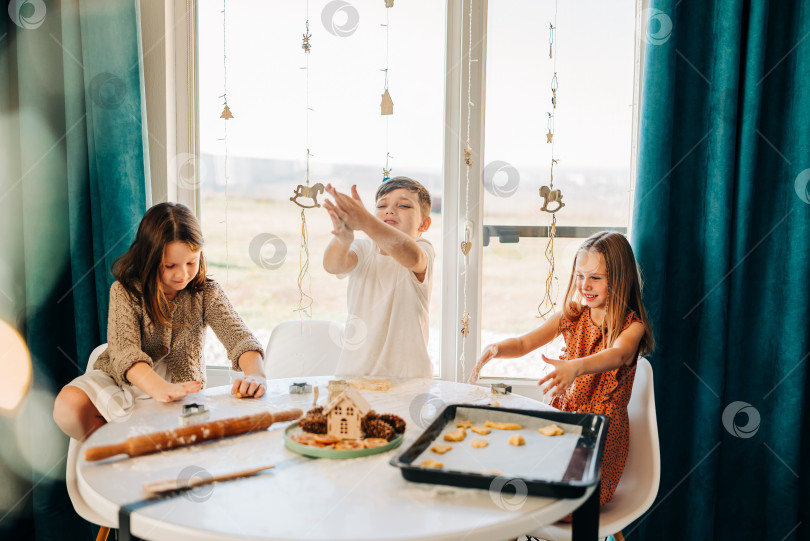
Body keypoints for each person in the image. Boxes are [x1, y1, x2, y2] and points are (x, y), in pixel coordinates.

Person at [469, 231, 654, 506]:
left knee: (544, 503)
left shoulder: (632, 326)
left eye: (595, 277)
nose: (584, 285)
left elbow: (617, 354)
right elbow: (524, 342)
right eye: (579, 275)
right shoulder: (573, 315)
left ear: (619, 279)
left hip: (597, 441)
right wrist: (497, 349)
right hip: (561, 428)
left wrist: (575, 367)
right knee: (507, 487)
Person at [53, 202, 267, 441]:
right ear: (149, 258)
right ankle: (123, 451)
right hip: (124, 380)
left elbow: (240, 337)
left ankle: (141, 448)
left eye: (191, 262)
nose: (182, 274)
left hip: (179, 386)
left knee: (181, 432)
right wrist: (159, 389)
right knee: (68, 406)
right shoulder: (124, 291)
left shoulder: (207, 293)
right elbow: (124, 352)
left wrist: (255, 374)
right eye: (170, 265)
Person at [323, 177, 434, 378]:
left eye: (404, 205)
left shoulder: (422, 249)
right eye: (382, 205)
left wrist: (365, 221)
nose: (390, 210)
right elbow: (332, 265)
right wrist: (343, 238)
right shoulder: (364, 249)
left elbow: (410, 255)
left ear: (423, 224)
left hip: (408, 380)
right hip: (355, 375)